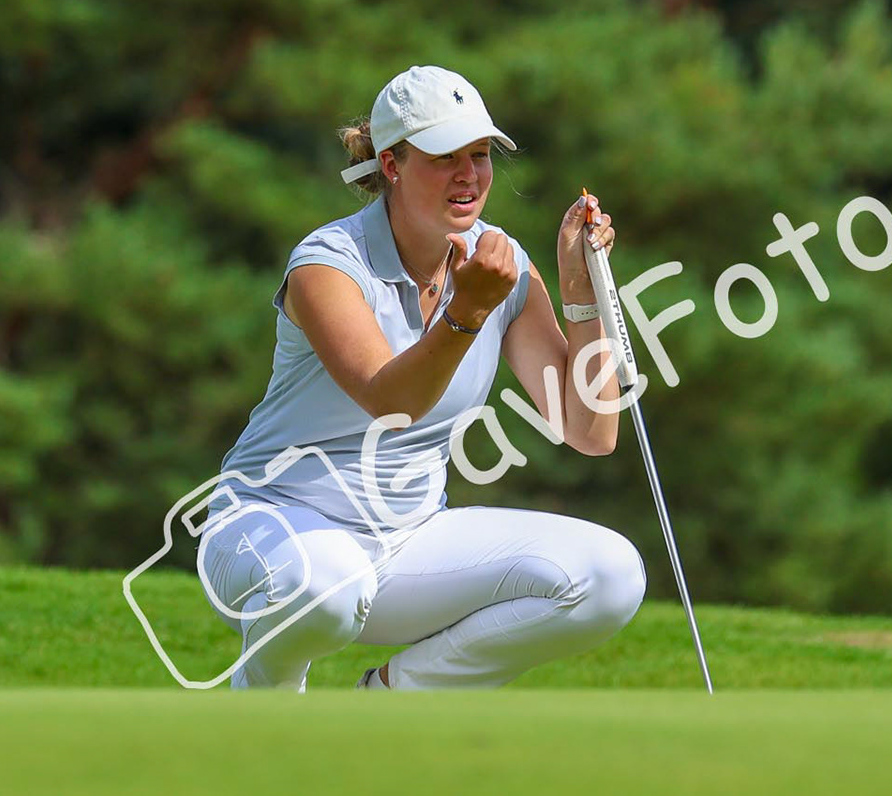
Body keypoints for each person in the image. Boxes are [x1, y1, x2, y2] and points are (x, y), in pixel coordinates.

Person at [197, 65, 646, 691]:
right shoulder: (328, 265)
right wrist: (468, 310)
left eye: (481, 155)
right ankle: (262, 710)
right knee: (327, 586)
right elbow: (392, 401)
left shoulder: (500, 264)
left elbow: (589, 431)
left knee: (611, 576)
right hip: (267, 530)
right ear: (392, 165)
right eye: (444, 156)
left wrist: (579, 290)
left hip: (406, 543)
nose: (469, 174)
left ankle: (383, 705)